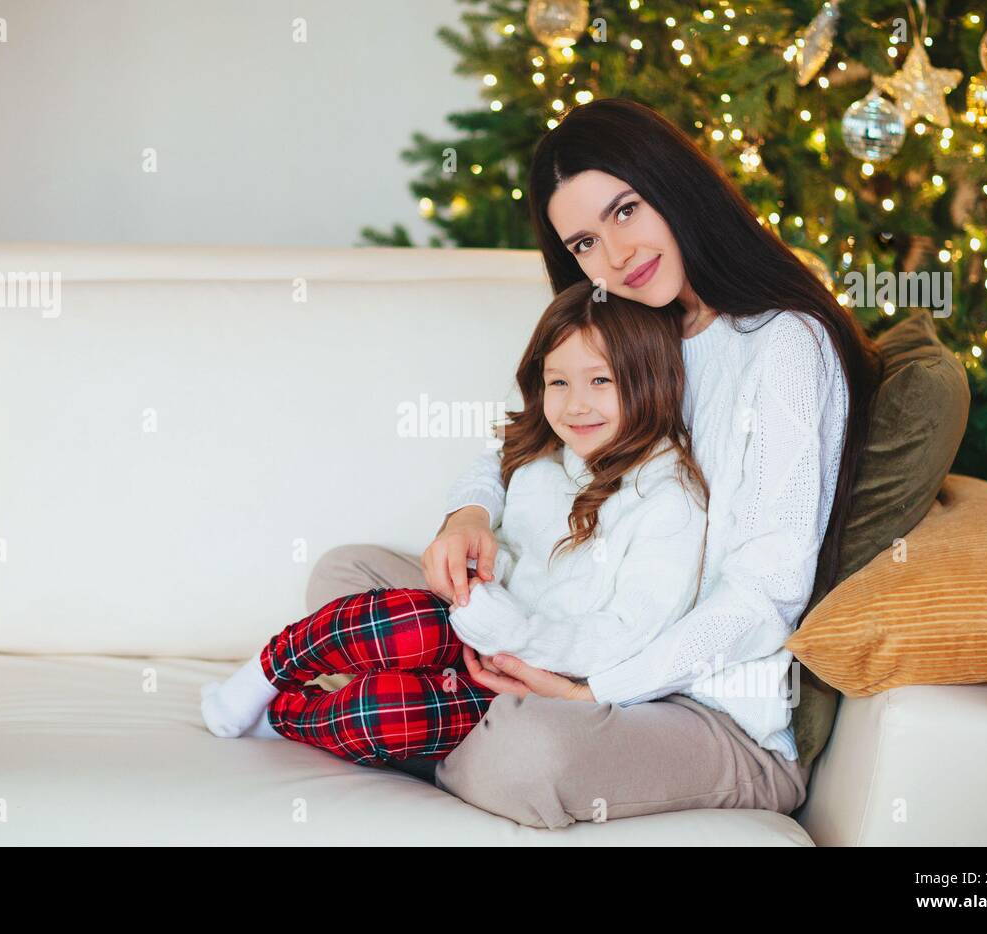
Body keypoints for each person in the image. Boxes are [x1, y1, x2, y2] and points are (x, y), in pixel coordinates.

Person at [307, 98, 883, 829]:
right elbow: (522, 439)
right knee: (346, 579)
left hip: (696, 709)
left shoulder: (784, 346)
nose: (615, 256)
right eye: (582, 241)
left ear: (677, 186)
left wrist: (592, 691)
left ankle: (418, 719)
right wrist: (470, 515)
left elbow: (765, 595)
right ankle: (446, 708)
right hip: (561, 629)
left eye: (626, 210)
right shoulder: (637, 322)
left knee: (526, 754)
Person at [200, 282, 708, 769]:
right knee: (397, 616)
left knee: (384, 712)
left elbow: (628, 634)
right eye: (559, 382)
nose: (575, 404)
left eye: (600, 380)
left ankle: (284, 716)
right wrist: (470, 539)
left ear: (650, 379)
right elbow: (492, 467)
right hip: (467, 627)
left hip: (535, 680)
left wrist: (523, 636)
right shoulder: (547, 454)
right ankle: (265, 673)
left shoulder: (670, 502)